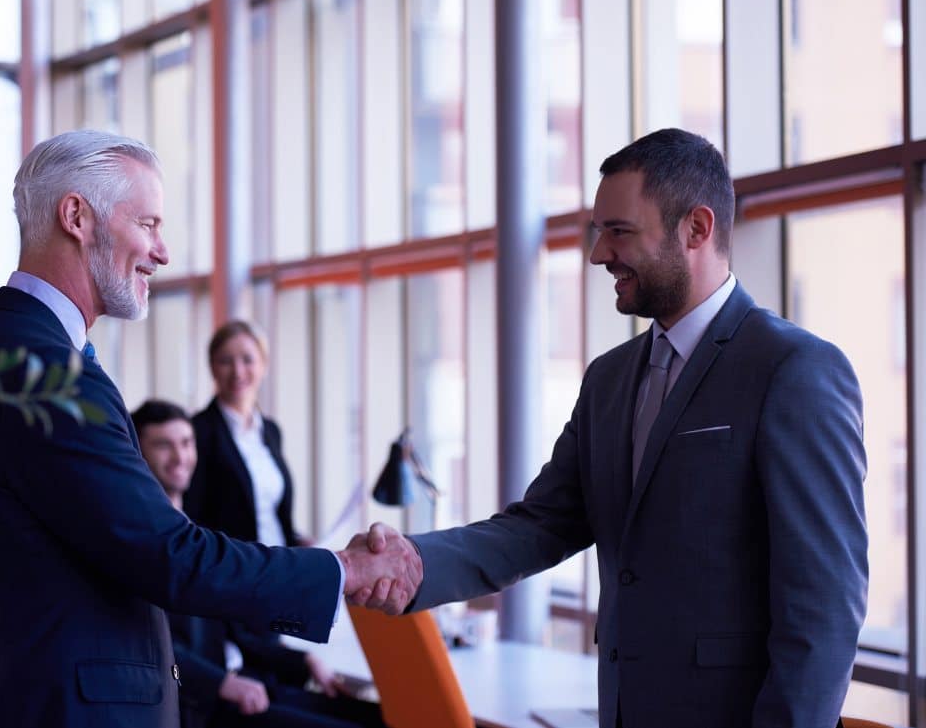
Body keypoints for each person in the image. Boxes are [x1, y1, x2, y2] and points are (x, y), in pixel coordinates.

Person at [348, 128, 868, 728]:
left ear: (696, 229)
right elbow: (542, 524)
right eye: (599, 232)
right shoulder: (610, 378)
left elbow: (825, 608)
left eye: (618, 231)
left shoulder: (793, 369)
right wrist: (414, 561)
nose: (598, 254)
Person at [0, 130, 419, 728]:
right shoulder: (45, 371)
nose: (163, 252)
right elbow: (170, 556)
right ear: (76, 216)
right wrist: (345, 570)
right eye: (148, 224)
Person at [133, 399, 385, 728]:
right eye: (164, 445)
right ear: (138, 452)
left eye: (186, 442)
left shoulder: (197, 533)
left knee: (383, 718)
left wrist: (303, 661)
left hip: (251, 680)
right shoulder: (142, 543)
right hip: (207, 703)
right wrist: (221, 683)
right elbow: (149, 645)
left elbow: (234, 627)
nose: (180, 457)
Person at [185, 320, 307, 548]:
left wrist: (297, 540)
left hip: (281, 563)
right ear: (212, 367)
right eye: (225, 361)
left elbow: (270, 510)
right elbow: (194, 516)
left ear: (264, 365)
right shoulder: (196, 431)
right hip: (235, 570)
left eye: (248, 360)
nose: (238, 371)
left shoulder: (271, 431)